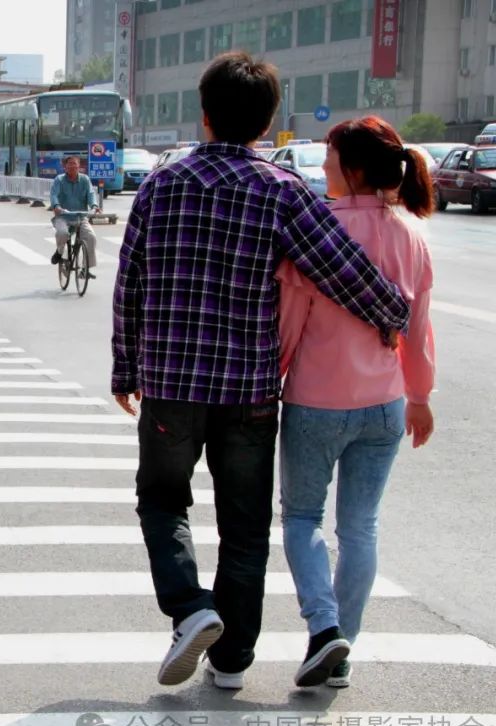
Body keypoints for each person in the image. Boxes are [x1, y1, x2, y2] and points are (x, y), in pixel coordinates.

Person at [111, 51, 411, 692]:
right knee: (245, 524)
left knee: (162, 503)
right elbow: (341, 269)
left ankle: (191, 609)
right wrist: (394, 313)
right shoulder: (282, 191)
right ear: (267, 120)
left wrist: (124, 366)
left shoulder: (160, 185)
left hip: (170, 386)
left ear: (205, 113)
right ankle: (231, 663)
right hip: (248, 391)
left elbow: (129, 282)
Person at [277, 116, 436, 689]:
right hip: (386, 404)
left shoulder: (317, 229)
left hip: (317, 401)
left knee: (300, 518)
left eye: (329, 160)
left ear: (355, 168)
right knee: (361, 528)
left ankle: (324, 629)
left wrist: (270, 380)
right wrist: (419, 397)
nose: (322, 170)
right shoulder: (411, 234)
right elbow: (417, 329)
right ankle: (341, 651)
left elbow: (290, 321)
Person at [49, 155, 100, 280]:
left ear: (79, 166)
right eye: (69, 164)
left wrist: (94, 205)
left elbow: (91, 194)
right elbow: (54, 194)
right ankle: (60, 252)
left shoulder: (85, 180)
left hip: (80, 216)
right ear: (65, 167)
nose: (72, 166)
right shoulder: (59, 180)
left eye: (74, 164)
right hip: (63, 216)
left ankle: (85, 269)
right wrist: (56, 206)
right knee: (62, 233)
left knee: (91, 237)